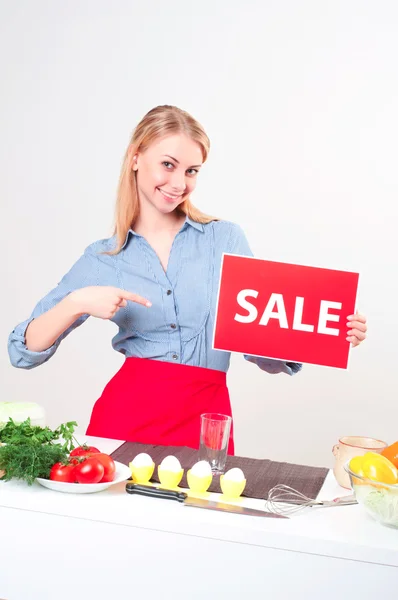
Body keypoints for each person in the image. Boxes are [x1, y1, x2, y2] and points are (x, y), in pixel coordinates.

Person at [8, 105, 367, 453]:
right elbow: (22, 352)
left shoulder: (224, 240)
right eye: (168, 165)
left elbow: (260, 345)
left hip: (206, 423)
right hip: (123, 423)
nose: (179, 183)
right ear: (136, 158)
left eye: (192, 171)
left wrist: (326, 331)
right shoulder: (103, 258)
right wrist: (78, 302)